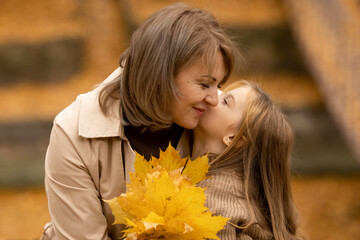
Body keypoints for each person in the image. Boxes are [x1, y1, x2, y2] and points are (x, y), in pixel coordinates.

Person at [40, 3, 238, 239]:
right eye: (204, 84)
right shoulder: (74, 132)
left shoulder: (220, 117)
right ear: (160, 74)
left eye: (220, 85)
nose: (215, 99)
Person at [192, 81, 304, 240]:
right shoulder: (239, 185)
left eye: (225, 101)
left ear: (234, 139)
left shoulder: (211, 199)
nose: (215, 95)